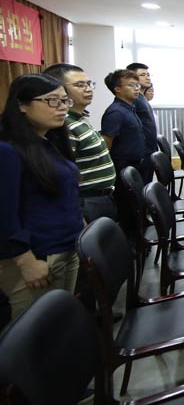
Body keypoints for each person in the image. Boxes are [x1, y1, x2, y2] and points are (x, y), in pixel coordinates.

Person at [0, 74, 84, 321]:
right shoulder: (8, 150)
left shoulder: (48, 142)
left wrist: (82, 226)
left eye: (64, 101)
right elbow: (4, 213)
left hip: (67, 247)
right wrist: (25, 261)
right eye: (52, 101)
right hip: (38, 257)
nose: (61, 108)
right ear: (22, 105)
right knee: (36, 331)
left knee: (60, 323)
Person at [42, 63, 117, 223]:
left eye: (89, 84)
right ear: (58, 89)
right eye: (80, 85)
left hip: (101, 198)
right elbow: (62, 175)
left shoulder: (79, 119)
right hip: (86, 201)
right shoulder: (63, 125)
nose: (88, 89)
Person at [125, 62, 158, 176]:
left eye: (148, 74)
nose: (147, 77)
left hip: (149, 150)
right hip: (143, 153)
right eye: (142, 75)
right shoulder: (135, 99)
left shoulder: (142, 98)